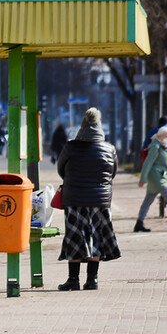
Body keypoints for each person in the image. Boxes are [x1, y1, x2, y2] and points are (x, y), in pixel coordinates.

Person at [55, 107, 121, 291]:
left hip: (74, 199)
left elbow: (60, 169)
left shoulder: (70, 147)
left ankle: (73, 280)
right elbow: (112, 173)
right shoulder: (109, 149)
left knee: (75, 237)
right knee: (97, 238)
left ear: (82, 126)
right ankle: (92, 280)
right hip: (100, 202)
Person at [141, 116, 167, 217]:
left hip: (157, 163)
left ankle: (140, 220)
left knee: (150, 196)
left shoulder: (154, 131)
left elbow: (145, 145)